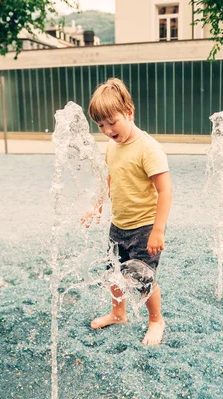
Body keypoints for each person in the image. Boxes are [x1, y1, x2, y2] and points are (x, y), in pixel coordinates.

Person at [82, 78, 172, 345]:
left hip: (144, 228)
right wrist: (97, 206)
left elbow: (165, 191)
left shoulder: (148, 149)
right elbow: (108, 179)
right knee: (114, 272)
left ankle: (156, 320)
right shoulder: (112, 147)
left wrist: (157, 231)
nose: (108, 130)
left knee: (144, 278)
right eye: (101, 125)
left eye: (112, 122)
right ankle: (118, 313)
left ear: (129, 113)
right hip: (118, 225)